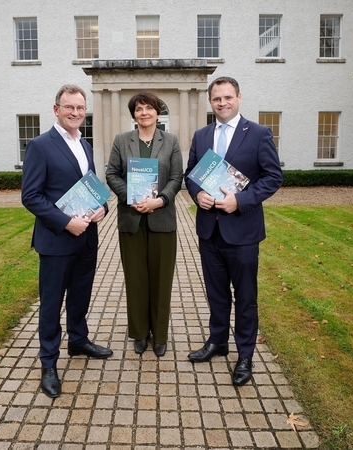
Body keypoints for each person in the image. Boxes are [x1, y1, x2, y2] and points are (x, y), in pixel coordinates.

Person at [184, 77, 283, 385]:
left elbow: (272, 177)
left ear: (239, 97)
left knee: (245, 296)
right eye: (216, 98)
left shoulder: (258, 134)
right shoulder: (202, 136)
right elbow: (190, 173)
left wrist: (239, 201)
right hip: (209, 230)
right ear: (210, 101)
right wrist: (196, 193)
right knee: (215, 293)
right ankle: (217, 342)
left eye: (228, 97)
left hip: (242, 232)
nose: (222, 103)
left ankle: (245, 355)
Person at [21, 84, 113, 398]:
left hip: (87, 238)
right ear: (56, 109)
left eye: (79, 108)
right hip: (57, 240)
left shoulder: (84, 144)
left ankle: (78, 340)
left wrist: (103, 206)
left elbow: (90, 185)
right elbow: (31, 197)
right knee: (51, 305)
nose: (75, 113)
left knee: (80, 295)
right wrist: (66, 223)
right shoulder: (40, 145)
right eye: (69, 107)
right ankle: (48, 362)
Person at [106, 92, 183, 357]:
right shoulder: (121, 141)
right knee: (136, 279)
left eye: (149, 108)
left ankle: (160, 335)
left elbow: (176, 178)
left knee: (161, 280)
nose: (144, 113)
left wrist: (159, 200)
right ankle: (139, 332)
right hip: (132, 219)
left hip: (162, 219)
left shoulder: (170, 141)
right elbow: (111, 173)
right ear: (134, 115)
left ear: (158, 113)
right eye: (139, 109)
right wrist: (133, 197)